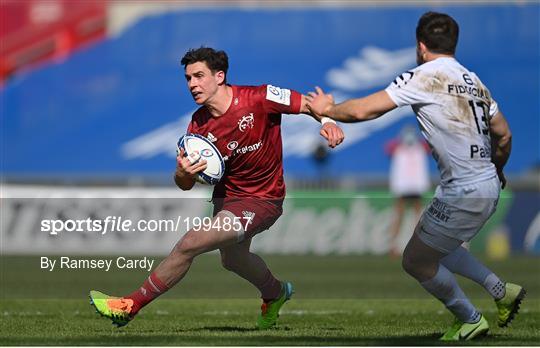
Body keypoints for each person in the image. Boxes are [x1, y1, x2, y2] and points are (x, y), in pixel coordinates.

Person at [89, 47, 344, 329]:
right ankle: (275, 293)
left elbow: (309, 104)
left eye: (199, 76)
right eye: (188, 78)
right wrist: (181, 173)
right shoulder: (197, 127)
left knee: (190, 243)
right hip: (228, 199)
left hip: (264, 199)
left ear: (219, 76)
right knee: (233, 260)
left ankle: (129, 305)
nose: (192, 84)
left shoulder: (260, 97)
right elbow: (185, 184)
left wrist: (329, 121)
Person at [306, 11, 524, 341]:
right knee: (436, 248)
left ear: (421, 47)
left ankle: (470, 319)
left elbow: (364, 110)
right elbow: (504, 135)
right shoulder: (474, 82)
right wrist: (498, 169)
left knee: (415, 260)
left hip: (463, 191)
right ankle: (501, 291)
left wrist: (327, 109)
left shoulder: (425, 77)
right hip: (487, 185)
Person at [385, 125, 430, 257]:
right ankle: (393, 245)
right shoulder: (398, 148)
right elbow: (389, 147)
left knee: (418, 217)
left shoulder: (420, 147)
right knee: (399, 215)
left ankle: (418, 245)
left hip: (415, 185)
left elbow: (429, 146)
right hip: (403, 186)